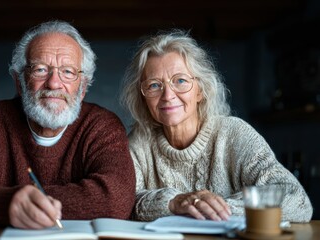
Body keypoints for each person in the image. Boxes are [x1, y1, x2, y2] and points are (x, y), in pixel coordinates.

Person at [0, 20, 135, 229]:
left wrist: (25, 203)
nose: (54, 83)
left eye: (68, 72)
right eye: (41, 70)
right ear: (20, 82)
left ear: (82, 89)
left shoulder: (103, 126)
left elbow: (115, 199)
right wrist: (6, 203)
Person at [120, 29, 313, 223]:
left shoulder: (234, 134)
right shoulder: (138, 143)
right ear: (143, 97)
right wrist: (173, 203)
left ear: (200, 91)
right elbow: (122, 204)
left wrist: (216, 208)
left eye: (180, 81)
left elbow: (297, 200)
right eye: (154, 85)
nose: (168, 95)